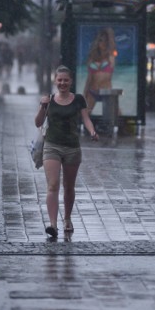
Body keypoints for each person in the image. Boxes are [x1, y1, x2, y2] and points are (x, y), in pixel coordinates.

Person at [36, 65, 98, 238]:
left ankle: (67, 218)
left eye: (66, 80)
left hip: (72, 147)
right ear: (55, 81)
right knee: (53, 185)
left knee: (68, 187)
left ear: (71, 81)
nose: (62, 83)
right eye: (59, 80)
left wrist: (92, 131)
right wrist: (42, 106)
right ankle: (53, 224)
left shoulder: (78, 99)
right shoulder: (48, 99)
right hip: (52, 145)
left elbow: (86, 119)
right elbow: (38, 122)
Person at [82, 27, 117, 111]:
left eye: (106, 41)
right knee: (85, 114)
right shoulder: (92, 59)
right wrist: (84, 92)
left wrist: (108, 33)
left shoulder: (110, 58)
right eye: (101, 40)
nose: (103, 43)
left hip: (107, 92)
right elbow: (89, 78)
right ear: (97, 42)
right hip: (93, 91)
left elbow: (112, 42)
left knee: (116, 115)